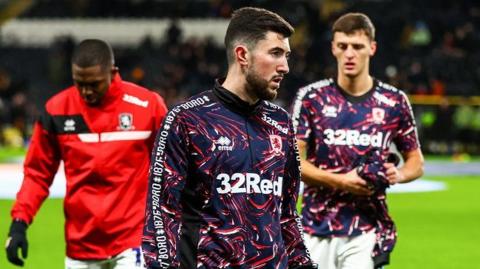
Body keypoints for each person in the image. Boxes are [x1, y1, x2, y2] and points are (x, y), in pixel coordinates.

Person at [142, 7, 315, 269]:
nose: (285, 67)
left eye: (287, 55)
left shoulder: (281, 123)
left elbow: (287, 216)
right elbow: (161, 213)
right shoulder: (187, 120)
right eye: (276, 53)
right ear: (242, 55)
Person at [5, 39, 168, 269]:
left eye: (94, 84)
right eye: (79, 83)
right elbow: (37, 174)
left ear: (113, 73)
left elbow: (173, 167)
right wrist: (19, 223)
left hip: (133, 241)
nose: (86, 91)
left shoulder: (147, 106)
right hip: (81, 246)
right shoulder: (57, 110)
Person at [292, 13, 424, 269]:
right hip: (314, 228)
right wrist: (343, 181)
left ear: (372, 48)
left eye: (358, 46)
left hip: (366, 229)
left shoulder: (394, 101)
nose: (349, 54)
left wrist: (397, 174)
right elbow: (295, 163)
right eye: (343, 46)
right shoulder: (311, 98)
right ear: (333, 48)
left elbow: (416, 161)